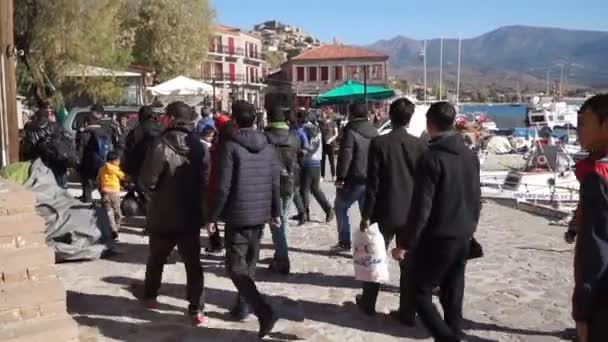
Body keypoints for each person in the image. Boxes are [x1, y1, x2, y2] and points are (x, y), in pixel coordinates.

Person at [392, 102, 481, 342]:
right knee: (452, 293)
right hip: (463, 234)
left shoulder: (431, 158)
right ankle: (454, 332)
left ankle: (448, 338)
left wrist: (406, 244)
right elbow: (476, 198)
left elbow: (422, 207)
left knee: (418, 292)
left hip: (438, 237)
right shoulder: (470, 155)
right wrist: (471, 226)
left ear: (429, 124)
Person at [205, 100, 280, 338]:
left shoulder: (230, 146)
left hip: (238, 215)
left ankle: (261, 309)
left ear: (235, 121)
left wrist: (212, 216)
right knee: (248, 265)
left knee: (235, 267)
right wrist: (275, 211)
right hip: (259, 215)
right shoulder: (268, 145)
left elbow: (222, 187)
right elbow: (274, 181)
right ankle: (242, 307)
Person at [139, 101, 209, 326]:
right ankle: (196, 308)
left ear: (169, 119)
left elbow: (147, 180)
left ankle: (150, 296)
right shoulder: (200, 147)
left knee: (157, 258)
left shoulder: (160, 145)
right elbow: (206, 181)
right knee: (193, 263)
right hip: (190, 215)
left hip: (163, 213)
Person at [356, 98, 427, 324]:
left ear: (390, 115)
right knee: (409, 264)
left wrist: (366, 214)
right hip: (410, 213)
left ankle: (368, 303)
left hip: (384, 210)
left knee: (375, 257)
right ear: (410, 118)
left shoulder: (380, 143)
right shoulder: (420, 146)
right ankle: (407, 311)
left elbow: (373, 183)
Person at [570, 94, 608, 342]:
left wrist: (581, 313)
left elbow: (596, 252)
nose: (578, 131)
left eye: (584, 123)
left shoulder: (597, 176)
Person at [334, 102, 378, 250]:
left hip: (353, 178)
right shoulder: (375, 131)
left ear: (351, 114)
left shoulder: (350, 131)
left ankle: (344, 241)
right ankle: (371, 243)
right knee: (366, 213)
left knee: (340, 207)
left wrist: (340, 177)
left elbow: (346, 155)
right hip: (370, 179)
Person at [264, 106, 301, 275]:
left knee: (275, 221)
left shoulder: (266, 137)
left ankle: (282, 258)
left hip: (273, 184)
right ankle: (280, 252)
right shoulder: (294, 137)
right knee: (284, 219)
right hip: (291, 182)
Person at [21, 105, 76, 188]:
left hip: (37, 162)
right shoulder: (54, 126)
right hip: (56, 160)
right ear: (48, 116)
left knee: (41, 186)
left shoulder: (29, 128)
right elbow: (66, 141)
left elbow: (27, 146)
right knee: (60, 186)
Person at [76, 110, 114, 203]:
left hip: (88, 165)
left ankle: (87, 203)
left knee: (87, 186)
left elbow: (80, 151)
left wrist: (78, 165)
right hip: (102, 163)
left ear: (87, 122)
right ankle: (106, 204)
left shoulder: (84, 134)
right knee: (103, 187)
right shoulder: (105, 132)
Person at [301, 120, 334, 223]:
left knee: (305, 189)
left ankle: (304, 213)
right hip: (317, 163)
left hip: (308, 162)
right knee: (315, 189)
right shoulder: (319, 132)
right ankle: (328, 209)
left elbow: (307, 148)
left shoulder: (307, 129)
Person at [97, 151, 125, 240]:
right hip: (114, 194)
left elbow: (98, 180)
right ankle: (116, 229)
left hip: (105, 193)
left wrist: (100, 189)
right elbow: (123, 176)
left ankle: (112, 229)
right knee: (118, 213)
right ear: (114, 160)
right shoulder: (115, 169)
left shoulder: (101, 169)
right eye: (118, 160)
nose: (119, 162)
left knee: (109, 212)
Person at [289, 110, 309, 225]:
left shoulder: (299, 132)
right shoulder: (295, 132)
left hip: (295, 163)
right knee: (295, 190)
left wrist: (297, 153)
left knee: (295, 190)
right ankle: (302, 213)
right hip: (294, 162)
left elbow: (306, 148)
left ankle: (302, 213)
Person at [319, 110, 338, 181]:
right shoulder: (321, 123)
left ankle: (333, 175)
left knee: (331, 160)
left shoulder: (333, 123)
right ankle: (322, 176)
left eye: (323, 113)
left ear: (327, 114)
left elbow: (336, 133)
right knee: (322, 160)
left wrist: (330, 140)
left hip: (331, 144)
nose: (322, 115)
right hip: (323, 143)